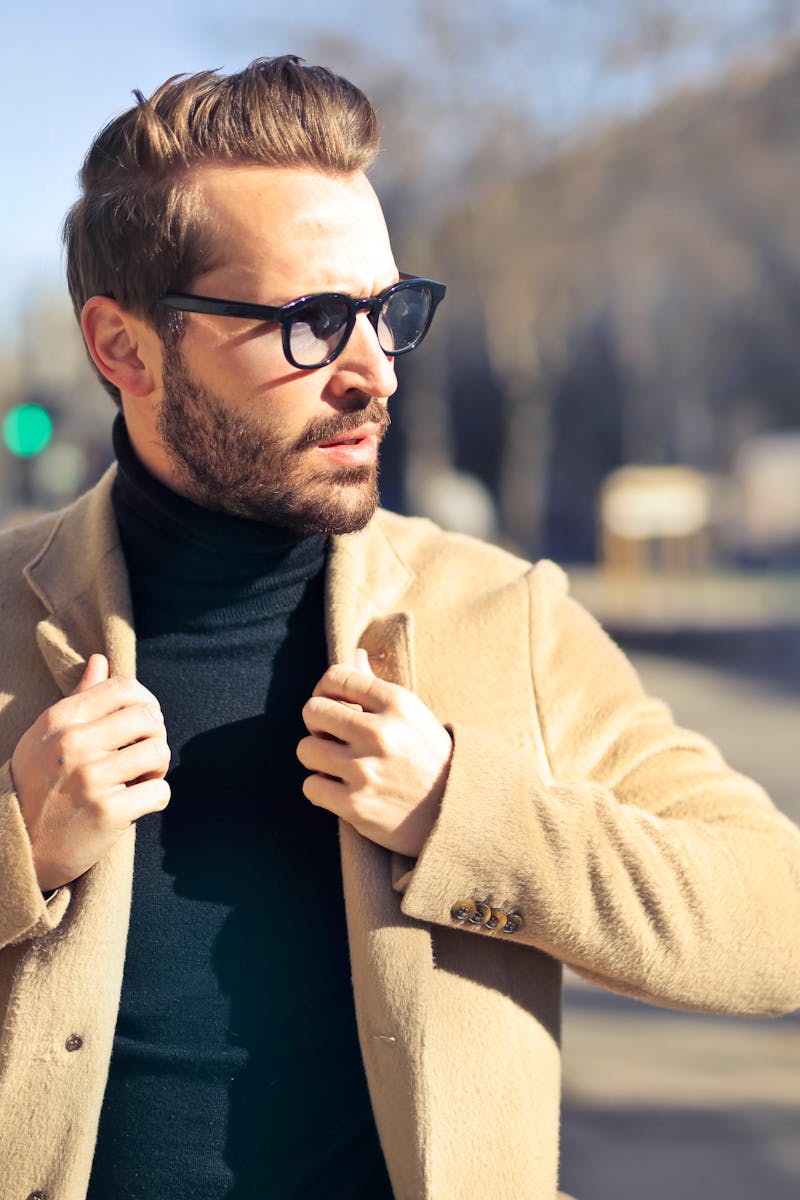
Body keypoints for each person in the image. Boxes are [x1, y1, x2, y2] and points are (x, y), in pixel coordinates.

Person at [1, 55, 799, 1200]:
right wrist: (15, 850)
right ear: (125, 348)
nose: (373, 372)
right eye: (314, 322)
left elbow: (771, 921)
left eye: (385, 312)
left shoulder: (503, 615)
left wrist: (467, 820)